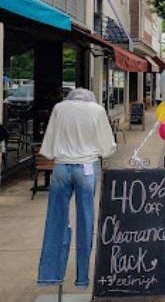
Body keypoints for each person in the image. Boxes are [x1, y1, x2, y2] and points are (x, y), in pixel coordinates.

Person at [37, 88, 116, 289]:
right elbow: (107, 147)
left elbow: (48, 146)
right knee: (85, 221)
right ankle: (82, 279)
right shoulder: (97, 110)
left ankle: (50, 276)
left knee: (56, 220)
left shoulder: (59, 108)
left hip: (62, 166)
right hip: (87, 167)